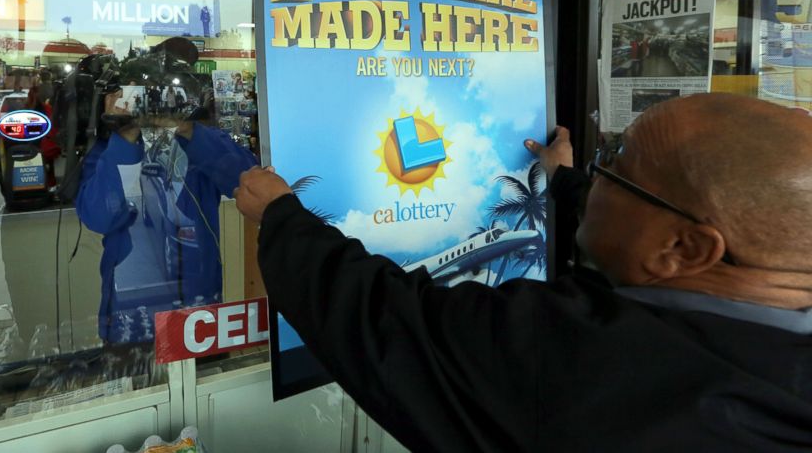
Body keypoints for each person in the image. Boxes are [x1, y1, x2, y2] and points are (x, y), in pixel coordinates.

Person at [234, 93, 812, 452]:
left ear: (685, 250)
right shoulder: (771, 339)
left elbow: (383, 319)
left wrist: (281, 216)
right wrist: (564, 181)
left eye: (613, 165)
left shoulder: (589, 369)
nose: (597, 175)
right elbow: (649, 223)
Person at [76, 91, 256, 344]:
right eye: (135, 93)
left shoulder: (202, 141)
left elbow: (248, 180)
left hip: (199, 307)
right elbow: (98, 218)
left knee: (207, 376)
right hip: (132, 307)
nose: (149, 102)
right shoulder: (107, 151)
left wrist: (187, 129)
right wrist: (125, 135)